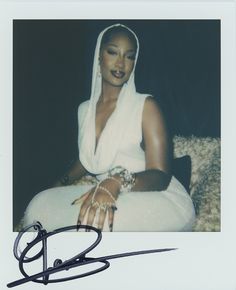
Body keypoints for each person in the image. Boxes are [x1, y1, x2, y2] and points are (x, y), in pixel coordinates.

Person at [23, 23, 196, 232]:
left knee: (94, 224)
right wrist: (60, 183)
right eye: (113, 52)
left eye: (129, 56)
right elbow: (89, 157)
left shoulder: (146, 106)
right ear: (98, 56)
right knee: (39, 205)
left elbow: (160, 175)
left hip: (156, 195)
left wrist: (116, 181)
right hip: (108, 190)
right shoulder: (84, 109)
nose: (121, 63)